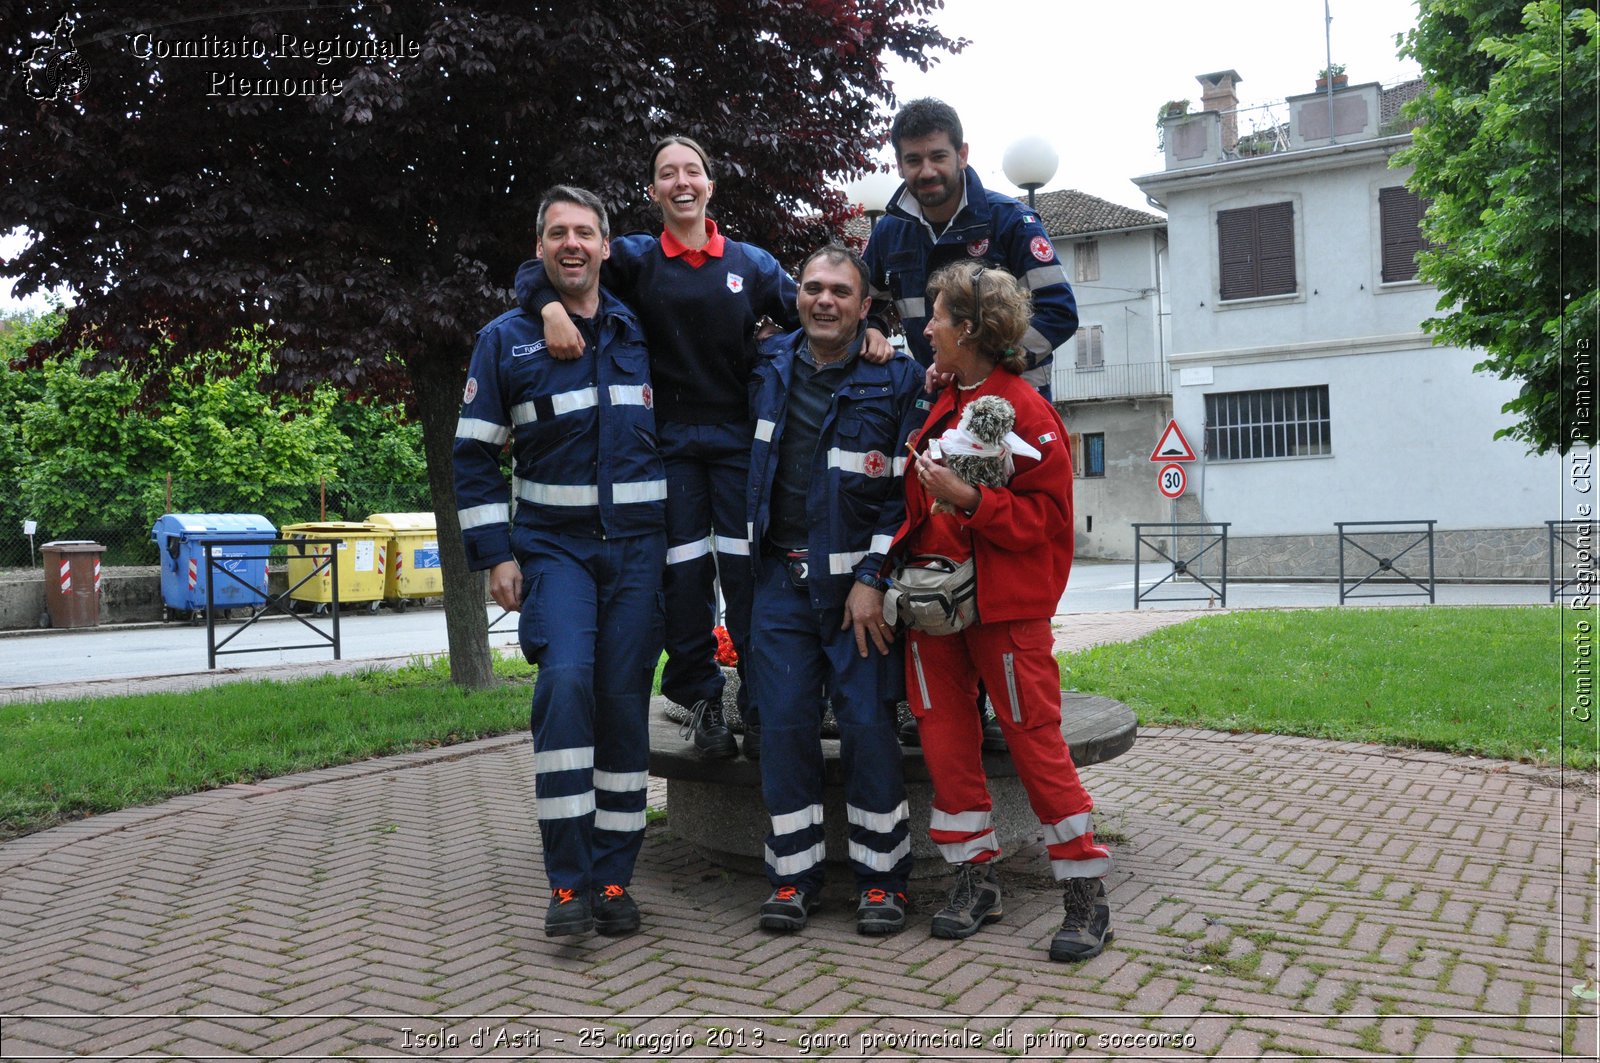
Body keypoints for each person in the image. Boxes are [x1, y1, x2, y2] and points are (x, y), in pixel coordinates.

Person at [519, 136, 805, 761]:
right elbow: (539, 268)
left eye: (693, 171)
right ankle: (703, 701)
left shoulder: (753, 265)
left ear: (710, 186)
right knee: (681, 579)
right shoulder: (636, 260)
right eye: (666, 173)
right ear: (653, 192)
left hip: (737, 451)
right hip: (664, 451)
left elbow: (814, 316)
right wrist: (548, 310)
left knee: (747, 574)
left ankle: (759, 704)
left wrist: (868, 339)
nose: (681, 180)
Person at [454, 185, 665, 939]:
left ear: (608, 246)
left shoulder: (644, 328)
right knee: (567, 688)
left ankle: (615, 878)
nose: (572, 243)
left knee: (622, 709)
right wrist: (495, 555)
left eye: (585, 232)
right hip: (553, 550)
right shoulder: (505, 340)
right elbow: (473, 457)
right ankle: (569, 883)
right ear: (538, 250)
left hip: (639, 552)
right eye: (556, 234)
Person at [889, 261, 1113, 963]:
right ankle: (974, 880)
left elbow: (1046, 525)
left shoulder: (1028, 409)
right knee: (945, 741)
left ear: (969, 328)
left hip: (1003, 611)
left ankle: (1086, 897)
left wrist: (968, 497)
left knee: (1035, 742)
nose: (924, 327)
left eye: (936, 317)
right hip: (936, 609)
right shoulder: (945, 394)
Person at [861, 97, 1080, 751]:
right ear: (898, 163)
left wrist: (991, 368)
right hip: (932, 413)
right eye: (911, 160)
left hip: (999, 423)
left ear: (962, 153)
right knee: (926, 547)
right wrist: (876, 331)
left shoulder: (1009, 220)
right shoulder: (889, 233)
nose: (925, 171)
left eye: (936, 156)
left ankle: (989, 695)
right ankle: (925, 699)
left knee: (990, 558)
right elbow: (870, 301)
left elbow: (1060, 311)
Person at [745, 245, 925, 935]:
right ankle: (792, 877)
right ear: (797, 296)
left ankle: (883, 882)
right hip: (779, 587)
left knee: (868, 728)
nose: (825, 300)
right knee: (784, 728)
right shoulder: (765, 365)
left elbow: (904, 496)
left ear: (864, 305)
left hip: (859, 593)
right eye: (813, 288)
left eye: (841, 292)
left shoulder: (897, 376)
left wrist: (873, 577)